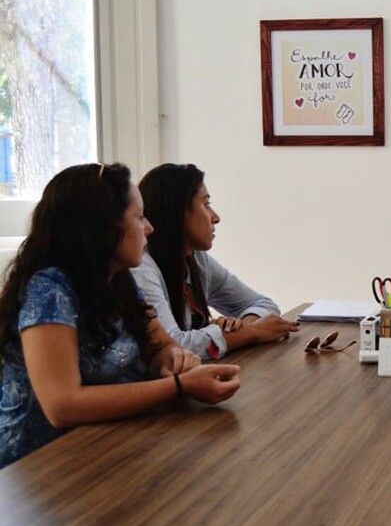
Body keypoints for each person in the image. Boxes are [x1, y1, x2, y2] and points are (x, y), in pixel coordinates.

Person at [0, 163, 240, 469]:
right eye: (139, 218)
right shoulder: (49, 291)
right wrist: (179, 386)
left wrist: (171, 359)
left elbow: (160, 346)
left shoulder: (118, 279)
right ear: (103, 228)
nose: (149, 228)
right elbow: (62, 406)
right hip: (39, 468)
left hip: (105, 446)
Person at [132, 163, 297, 360]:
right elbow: (173, 346)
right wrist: (251, 333)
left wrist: (242, 327)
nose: (215, 217)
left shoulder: (196, 259)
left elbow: (262, 303)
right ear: (177, 212)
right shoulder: (141, 268)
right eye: (206, 204)